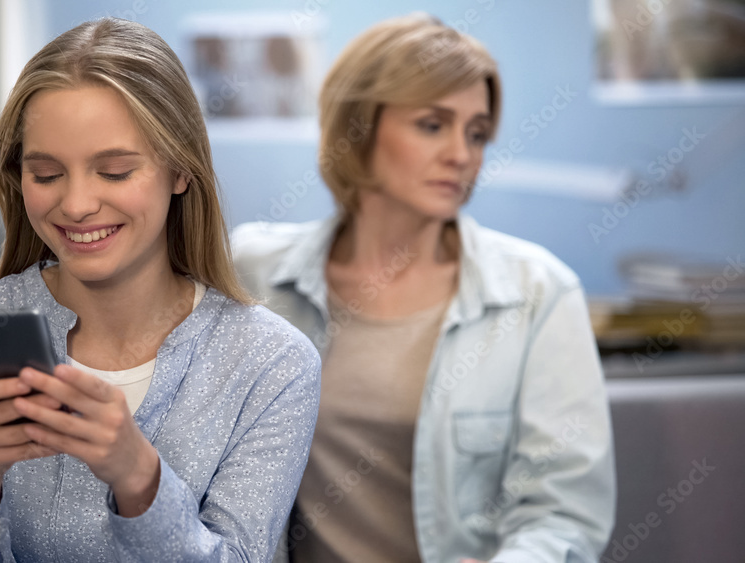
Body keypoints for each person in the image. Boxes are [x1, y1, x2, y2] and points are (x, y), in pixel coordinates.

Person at [0, 18, 320, 562]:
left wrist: (139, 478)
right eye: (46, 175)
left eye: (114, 172)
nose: (75, 206)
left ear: (181, 170)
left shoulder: (272, 362)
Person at [233, 13, 616, 563]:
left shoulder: (538, 292)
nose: (462, 154)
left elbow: (564, 511)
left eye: (476, 133)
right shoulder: (252, 272)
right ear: (359, 128)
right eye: (433, 125)